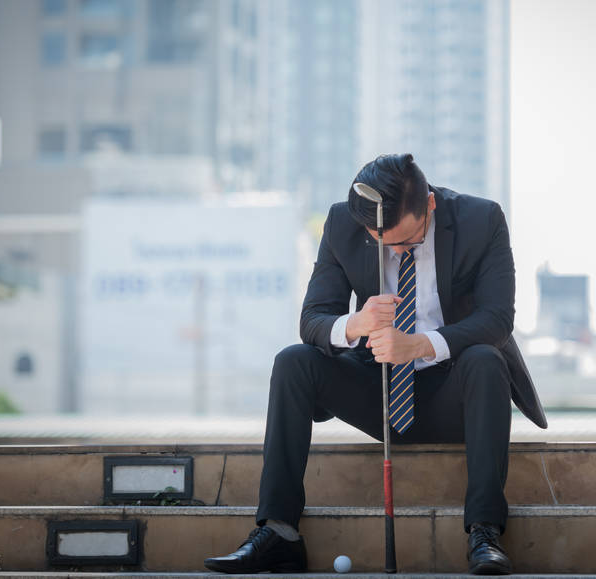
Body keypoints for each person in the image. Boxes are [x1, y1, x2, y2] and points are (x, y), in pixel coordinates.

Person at [204, 153, 547, 575]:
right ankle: (278, 531)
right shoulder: (342, 223)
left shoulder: (482, 219)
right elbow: (312, 319)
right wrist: (356, 324)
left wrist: (420, 344)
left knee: (485, 360)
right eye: (381, 241)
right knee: (293, 362)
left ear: (431, 206)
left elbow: (497, 319)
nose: (394, 251)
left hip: (457, 391)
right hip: (377, 387)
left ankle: (484, 531)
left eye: (407, 242)